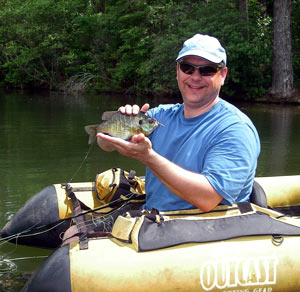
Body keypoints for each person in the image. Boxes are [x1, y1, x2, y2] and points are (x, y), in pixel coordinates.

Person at [97, 33, 260, 212]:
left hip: (202, 230)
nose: (195, 77)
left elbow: (208, 198)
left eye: (207, 70)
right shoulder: (159, 116)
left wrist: (148, 157)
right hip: (153, 219)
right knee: (72, 231)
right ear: (177, 71)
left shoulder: (235, 129)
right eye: (187, 68)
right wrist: (113, 128)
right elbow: (104, 144)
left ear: (222, 75)